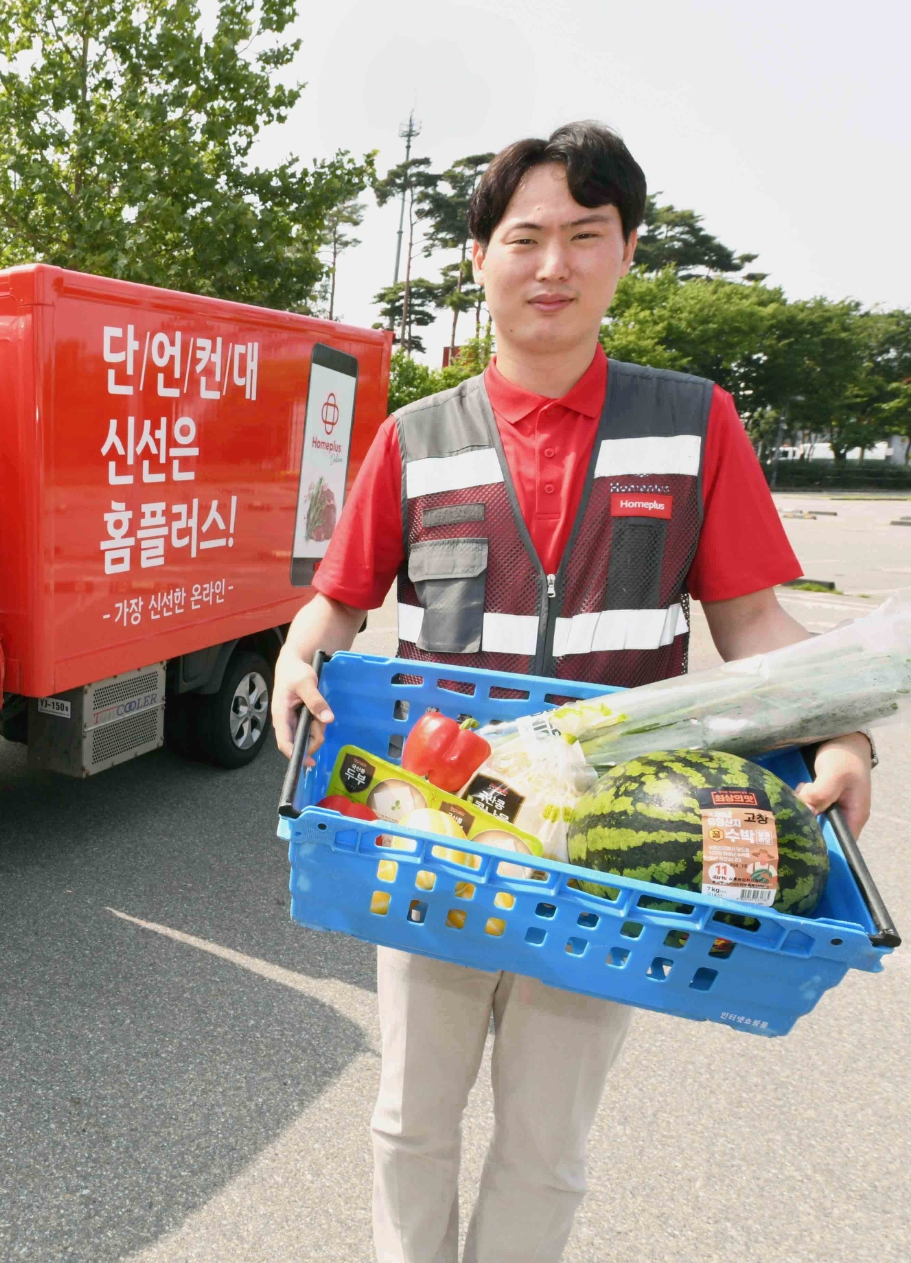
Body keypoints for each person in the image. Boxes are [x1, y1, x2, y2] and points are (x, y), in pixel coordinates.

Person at [273, 122, 874, 1263]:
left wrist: (841, 731)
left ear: (626, 253)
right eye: (524, 238)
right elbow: (337, 602)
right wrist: (300, 651)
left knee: (547, 1144)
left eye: (582, 236)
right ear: (478, 260)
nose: (551, 266)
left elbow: (753, 621)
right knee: (410, 1119)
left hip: (608, 854)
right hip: (435, 829)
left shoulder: (694, 423)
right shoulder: (413, 440)